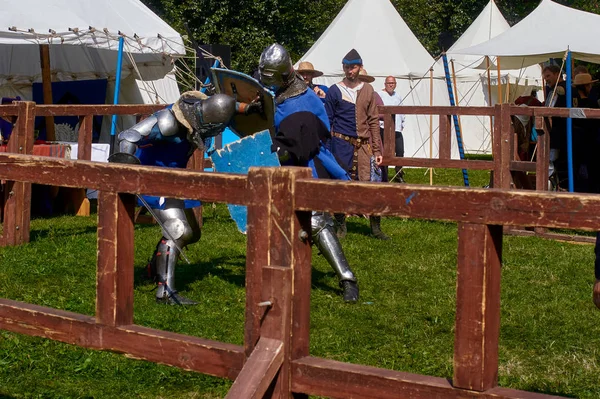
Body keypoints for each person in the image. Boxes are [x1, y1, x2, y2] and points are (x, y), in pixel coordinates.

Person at [109, 91, 252, 305]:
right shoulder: (167, 121)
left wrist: (248, 108)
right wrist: (127, 171)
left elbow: (226, 107)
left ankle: (153, 267)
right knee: (178, 230)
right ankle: (165, 292)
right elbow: (129, 136)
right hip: (152, 179)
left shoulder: (204, 113)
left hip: (176, 180)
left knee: (193, 234)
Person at [258, 43, 360, 303]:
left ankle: (347, 278)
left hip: (306, 164)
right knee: (277, 220)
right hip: (280, 167)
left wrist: (283, 147)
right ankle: (281, 278)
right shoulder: (277, 92)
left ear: (284, 74)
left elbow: (308, 138)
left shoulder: (304, 99)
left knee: (316, 222)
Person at [324, 49, 388, 240]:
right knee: (339, 185)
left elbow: (374, 121)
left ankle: (375, 228)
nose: (349, 71)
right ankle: (341, 225)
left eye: (353, 67)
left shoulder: (368, 90)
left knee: (375, 184)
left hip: (364, 147)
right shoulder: (335, 91)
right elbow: (327, 121)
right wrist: (327, 150)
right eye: (346, 67)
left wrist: (377, 149)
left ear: (360, 67)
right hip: (341, 144)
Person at [377, 76, 406, 183]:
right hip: (384, 128)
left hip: (397, 129)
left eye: (393, 83)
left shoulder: (397, 96)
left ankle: (399, 174)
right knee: (385, 153)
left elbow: (402, 110)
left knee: (400, 151)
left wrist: (402, 122)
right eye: (389, 83)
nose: (391, 85)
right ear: (385, 84)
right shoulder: (379, 95)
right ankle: (384, 175)